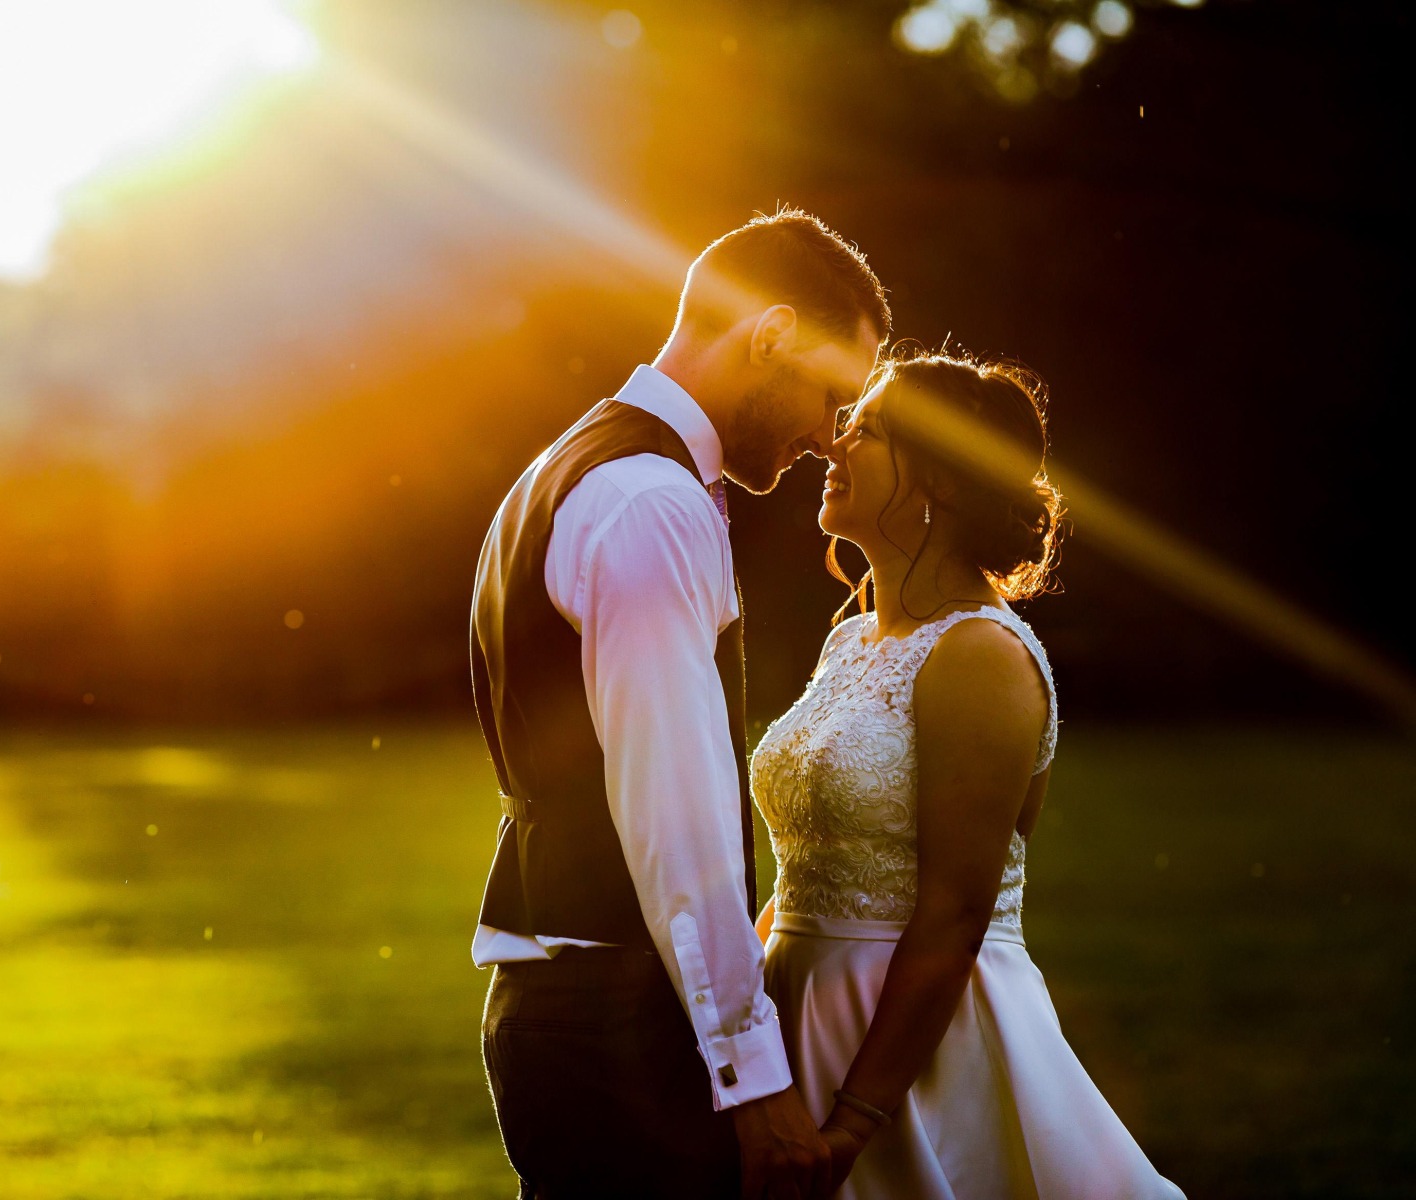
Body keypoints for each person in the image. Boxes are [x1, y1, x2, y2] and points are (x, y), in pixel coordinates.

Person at [469, 207, 888, 1198]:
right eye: (833, 394)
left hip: (568, 1002)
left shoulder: (569, 465)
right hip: (623, 1025)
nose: (833, 439)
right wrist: (752, 1080)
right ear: (771, 334)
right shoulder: (650, 500)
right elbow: (677, 809)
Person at [752, 351, 1185, 1198]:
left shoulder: (981, 655)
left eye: (865, 431)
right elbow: (812, 857)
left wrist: (853, 1122)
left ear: (941, 481)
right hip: (795, 1010)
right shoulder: (849, 641)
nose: (833, 447)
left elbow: (953, 914)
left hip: (916, 1045)